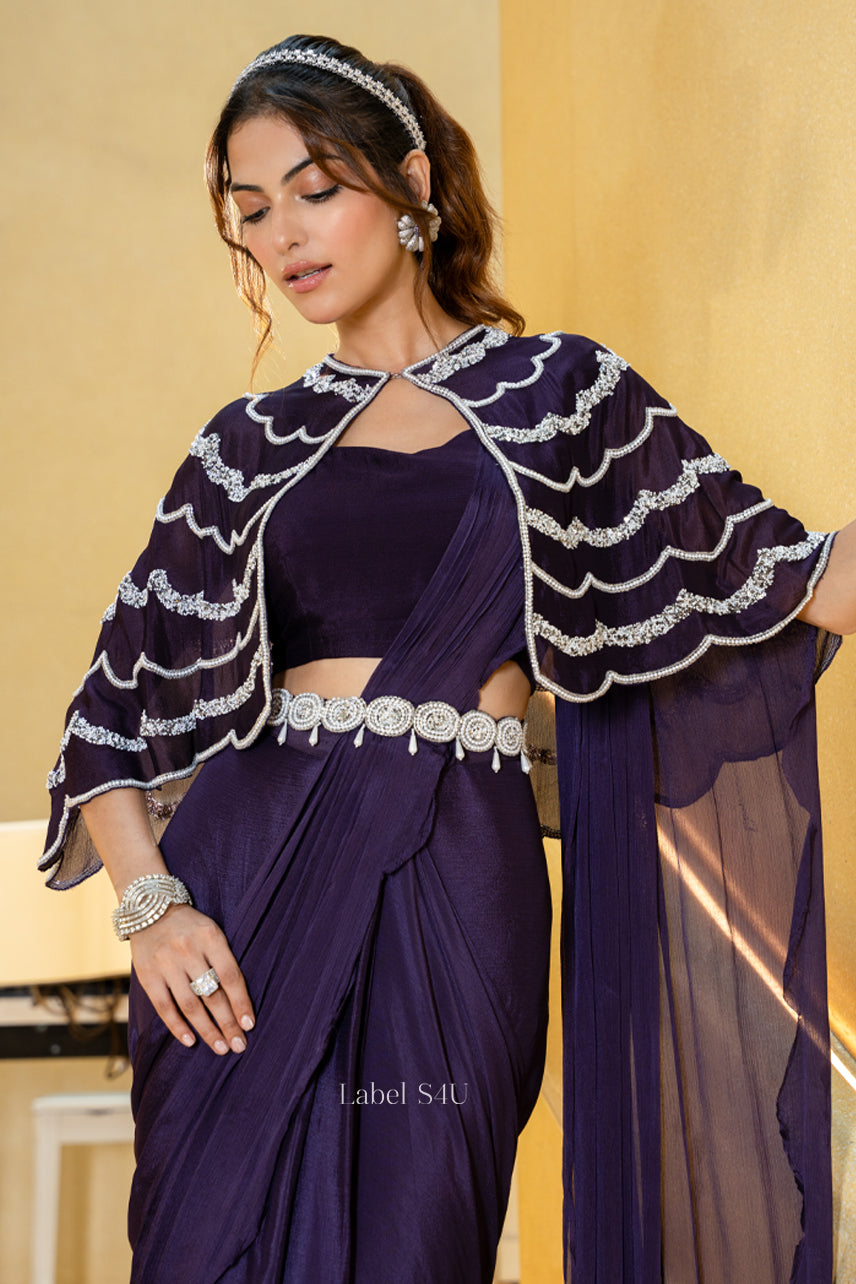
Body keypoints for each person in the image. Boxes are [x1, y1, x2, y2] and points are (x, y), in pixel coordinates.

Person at [40, 32, 855, 1284]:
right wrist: (152, 911)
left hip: (459, 877)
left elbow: (783, 580)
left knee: (421, 1235)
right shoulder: (244, 449)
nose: (283, 236)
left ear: (411, 183)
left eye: (316, 189)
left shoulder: (565, 397)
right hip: (243, 900)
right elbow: (108, 721)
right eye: (251, 211)